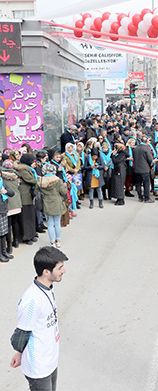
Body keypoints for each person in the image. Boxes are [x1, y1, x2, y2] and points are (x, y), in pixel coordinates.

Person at [10, 246, 69, 391]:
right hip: (39, 367)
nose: (64, 270)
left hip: (50, 360)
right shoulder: (32, 301)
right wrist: (20, 350)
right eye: (60, 267)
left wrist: (19, 353)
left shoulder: (47, 288)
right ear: (46, 272)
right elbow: (20, 335)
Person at [38, 163, 67, 248]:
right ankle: (58, 241)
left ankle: (52, 242)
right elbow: (63, 192)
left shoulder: (41, 180)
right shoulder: (58, 180)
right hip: (57, 202)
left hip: (47, 202)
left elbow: (36, 191)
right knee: (57, 223)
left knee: (50, 224)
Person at [16, 153, 38, 244]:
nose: (34, 162)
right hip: (25, 196)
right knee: (26, 217)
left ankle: (31, 234)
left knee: (30, 216)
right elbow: (31, 180)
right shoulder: (23, 169)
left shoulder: (26, 168)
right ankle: (26, 237)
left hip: (28, 195)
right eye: (32, 161)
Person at [133, 137, 154, 203]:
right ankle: (147, 198)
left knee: (138, 184)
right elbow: (150, 159)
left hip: (136, 169)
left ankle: (140, 197)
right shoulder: (147, 148)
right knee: (146, 184)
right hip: (145, 169)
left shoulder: (135, 148)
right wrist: (152, 165)